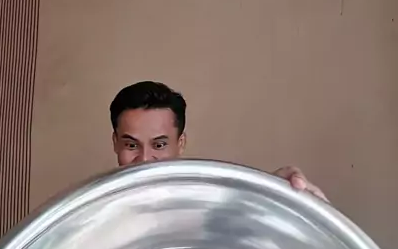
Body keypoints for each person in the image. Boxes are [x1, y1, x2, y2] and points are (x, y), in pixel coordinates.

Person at [110, 80, 327, 200]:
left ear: (180, 144)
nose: (145, 159)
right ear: (115, 143)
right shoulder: (95, 215)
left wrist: (277, 194)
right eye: (131, 145)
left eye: (159, 145)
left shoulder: (208, 207)